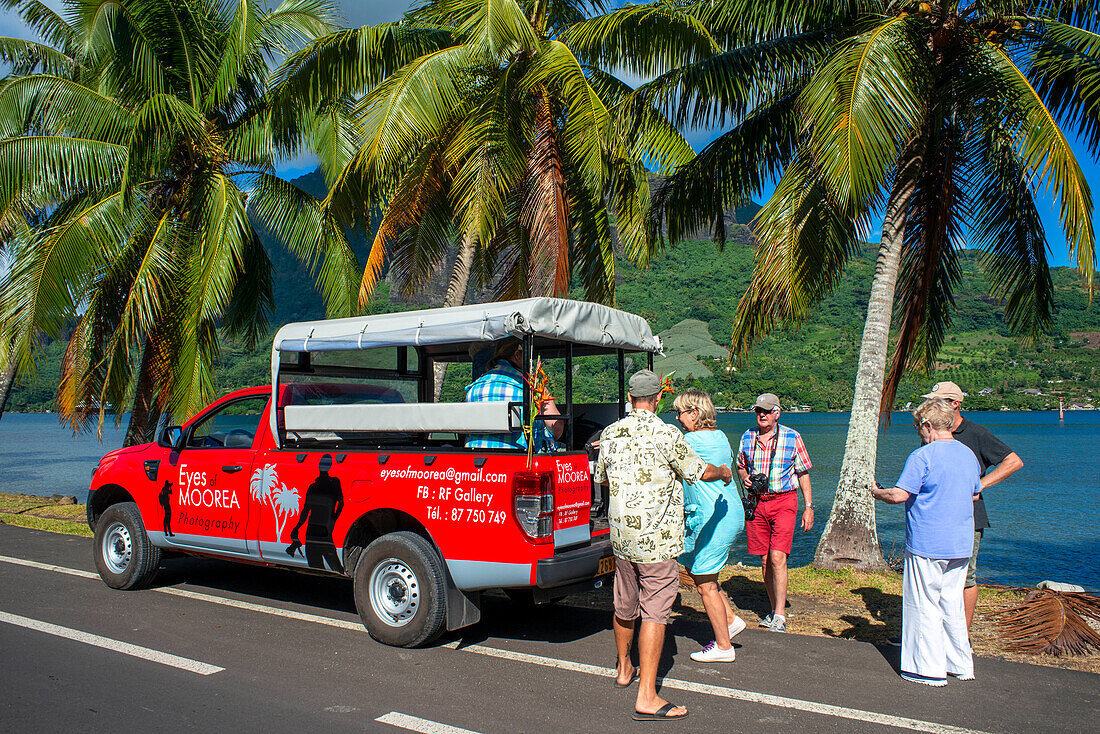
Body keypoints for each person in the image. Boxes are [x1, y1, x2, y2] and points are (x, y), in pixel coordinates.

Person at [595, 370, 733, 721]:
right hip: (656, 541)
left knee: (624, 603)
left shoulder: (610, 433)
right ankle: (648, 696)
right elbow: (699, 472)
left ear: (630, 397)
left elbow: (604, 479)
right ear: (657, 399)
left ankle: (625, 669)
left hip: (622, 537)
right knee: (655, 611)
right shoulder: (667, 433)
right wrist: (723, 472)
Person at [873, 399, 981, 686]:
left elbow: (899, 495)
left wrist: (877, 492)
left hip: (928, 541)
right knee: (951, 605)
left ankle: (927, 669)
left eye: (918, 426)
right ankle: (959, 663)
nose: (918, 433)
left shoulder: (922, 456)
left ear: (928, 426)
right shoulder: (968, 455)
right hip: (960, 542)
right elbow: (974, 493)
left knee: (923, 604)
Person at [922, 381, 1023, 630]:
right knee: (932, 577)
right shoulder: (931, 432)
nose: (932, 405)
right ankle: (929, 634)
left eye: (941, 401)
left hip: (968, 517)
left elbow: (1013, 461)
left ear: (956, 404)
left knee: (966, 577)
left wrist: (979, 485)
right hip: (935, 518)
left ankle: (962, 637)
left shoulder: (976, 434)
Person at [672, 389, 746, 663]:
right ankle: (729, 620)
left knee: (705, 585)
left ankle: (723, 647)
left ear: (694, 413)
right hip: (725, 512)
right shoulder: (719, 436)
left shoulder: (690, 440)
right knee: (696, 566)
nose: (678, 418)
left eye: (680, 412)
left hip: (710, 517)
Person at [736, 393, 813, 633]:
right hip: (757, 502)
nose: (762, 415)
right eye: (759, 410)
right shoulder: (748, 436)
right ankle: (772, 609)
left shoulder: (792, 437)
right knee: (763, 558)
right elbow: (740, 465)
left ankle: (780, 614)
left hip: (784, 501)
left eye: (767, 411)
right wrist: (746, 478)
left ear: (777, 414)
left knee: (778, 557)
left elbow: (803, 473)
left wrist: (809, 507)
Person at [464, 337, 563, 450]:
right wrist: (545, 395)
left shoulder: (473, 388)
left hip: (476, 455)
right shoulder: (533, 388)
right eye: (527, 356)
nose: (530, 362)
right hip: (522, 457)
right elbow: (557, 429)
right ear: (517, 355)